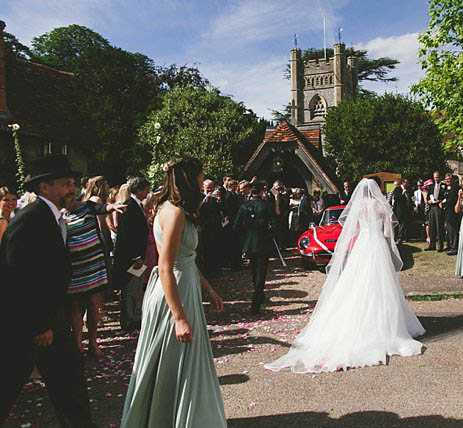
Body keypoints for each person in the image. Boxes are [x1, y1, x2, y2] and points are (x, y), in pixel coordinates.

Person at [265, 177, 424, 373]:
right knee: (381, 283)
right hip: (377, 245)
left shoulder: (357, 206)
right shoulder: (380, 205)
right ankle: (383, 321)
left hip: (362, 245)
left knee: (357, 283)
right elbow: (389, 232)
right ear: (377, 189)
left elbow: (352, 229)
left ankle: (358, 316)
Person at [121, 157, 226, 427]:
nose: (204, 181)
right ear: (189, 180)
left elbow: (186, 258)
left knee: (181, 360)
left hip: (186, 284)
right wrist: (178, 316)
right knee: (171, 361)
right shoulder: (174, 213)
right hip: (174, 291)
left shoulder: (175, 209)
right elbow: (165, 266)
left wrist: (209, 289)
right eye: (201, 176)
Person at [0, 155, 95, 427]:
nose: (72, 189)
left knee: (70, 386)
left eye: (72, 183)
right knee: (8, 385)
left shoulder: (51, 217)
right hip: (32, 324)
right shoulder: (30, 220)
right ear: (45, 187)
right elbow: (14, 276)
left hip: (52, 318)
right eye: (66, 183)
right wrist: (39, 323)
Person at [64, 175, 124, 358]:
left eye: (73, 194)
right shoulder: (59, 216)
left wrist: (112, 206)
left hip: (94, 267)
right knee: (75, 306)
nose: (71, 197)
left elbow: (101, 208)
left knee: (93, 305)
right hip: (74, 268)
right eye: (68, 196)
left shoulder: (87, 206)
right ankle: (77, 344)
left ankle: (93, 342)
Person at [233, 182, 277, 315]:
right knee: (261, 272)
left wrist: (244, 238)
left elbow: (236, 226)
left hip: (249, 243)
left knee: (254, 271)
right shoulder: (266, 206)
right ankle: (256, 301)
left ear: (250, 192)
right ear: (261, 192)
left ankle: (260, 295)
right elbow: (275, 224)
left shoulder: (244, 207)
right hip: (263, 243)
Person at [114, 176, 150, 331]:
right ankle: (129, 318)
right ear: (140, 189)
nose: (148, 192)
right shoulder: (130, 206)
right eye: (146, 189)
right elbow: (128, 234)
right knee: (130, 288)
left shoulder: (136, 205)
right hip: (132, 257)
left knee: (135, 287)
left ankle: (134, 315)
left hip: (138, 255)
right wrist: (136, 257)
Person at [425, 171, 447, 252]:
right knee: (432, 227)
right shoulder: (431, 186)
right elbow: (427, 197)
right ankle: (432, 245)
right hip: (432, 208)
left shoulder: (444, 186)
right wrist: (428, 201)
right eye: (434, 177)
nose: (436, 179)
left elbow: (445, 196)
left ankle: (440, 246)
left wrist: (440, 201)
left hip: (439, 207)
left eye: (437, 177)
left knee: (439, 227)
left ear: (440, 177)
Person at [442, 174, 461, 255]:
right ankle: (450, 245)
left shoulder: (455, 188)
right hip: (447, 212)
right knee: (449, 229)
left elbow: (452, 199)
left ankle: (454, 247)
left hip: (452, 212)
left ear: (452, 179)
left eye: (449, 179)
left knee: (453, 229)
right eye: (446, 179)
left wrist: (443, 203)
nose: (447, 180)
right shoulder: (447, 188)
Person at [392, 179, 411, 244]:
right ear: (403, 183)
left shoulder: (408, 190)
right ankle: (399, 238)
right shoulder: (398, 189)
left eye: (408, 183)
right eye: (406, 183)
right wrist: (403, 194)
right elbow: (396, 198)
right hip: (399, 210)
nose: (407, 184)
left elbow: (409, 199)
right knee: (400, 223)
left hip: (406, 209)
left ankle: (405, 238)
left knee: (404, 224)